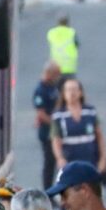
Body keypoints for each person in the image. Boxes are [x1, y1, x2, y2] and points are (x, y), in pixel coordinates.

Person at [49, 77, 106, 183]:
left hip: (90, 162)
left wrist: (103, 159)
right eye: (68, 90)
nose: (72, 93)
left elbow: (100, 136)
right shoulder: (58, 115)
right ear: (64, 94)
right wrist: (60, 158)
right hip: (70, 164)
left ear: (80, 92)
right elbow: (56, 140)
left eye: (74, 89)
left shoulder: (90, 112)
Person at [32, 60, 64, 188]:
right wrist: (55, 123)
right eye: (56, 74)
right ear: (49, 73)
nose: (58, 78)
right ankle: (48, 191)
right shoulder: (40, 90)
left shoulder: (53, 87)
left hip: (56, 132)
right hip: (47, 132)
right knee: (49, 163)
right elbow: (41, 114)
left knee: (58, 161)